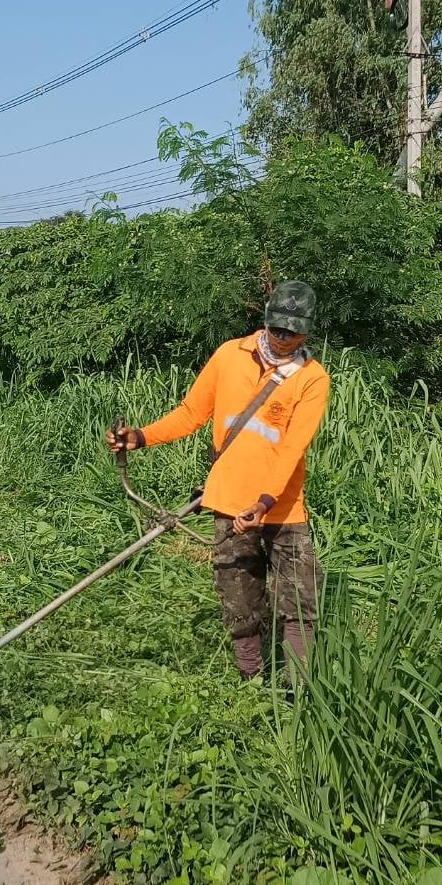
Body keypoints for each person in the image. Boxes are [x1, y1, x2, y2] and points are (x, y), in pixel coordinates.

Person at [106, 281, 330, 680]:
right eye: (277, 329)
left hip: (283, 506)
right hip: (229, 499)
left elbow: (292, 448)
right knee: (239, 597)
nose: (282, 338)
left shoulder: (312, 379)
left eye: (292, 332)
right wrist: (140, 437)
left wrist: (264, 502)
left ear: (307, 331)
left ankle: (299, 693)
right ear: (266, 320)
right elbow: (190, 413)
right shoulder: (230, 355)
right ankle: (251, 683)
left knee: (300, 601)